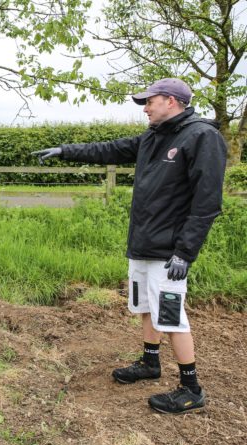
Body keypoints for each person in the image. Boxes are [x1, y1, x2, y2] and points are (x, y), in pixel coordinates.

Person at [33, 78, 227, 414]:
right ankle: (150, 363)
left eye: (149, 102)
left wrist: (185, 251)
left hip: (170, 253)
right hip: (143, 244)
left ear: (170, 100)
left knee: (170, 316)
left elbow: (207, 203)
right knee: (144, 307)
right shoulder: (154, 136)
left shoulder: (201, 137)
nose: (145, 108)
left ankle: (191, 388)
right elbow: (109, 149)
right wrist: (66, 150)